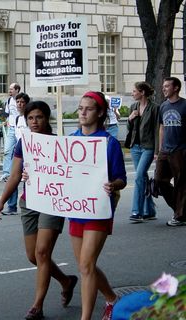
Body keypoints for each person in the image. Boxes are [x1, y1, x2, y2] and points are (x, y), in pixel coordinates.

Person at [0, 101, 78, 320]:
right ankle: (66, 281)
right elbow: (14, 175)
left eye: (39, 117)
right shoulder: (24, 143)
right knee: (33, 256)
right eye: (30, 118)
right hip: (29, 201)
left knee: (42, 252)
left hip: (52, 201)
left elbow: (70, 174)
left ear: (46, 118)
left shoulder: (59, 142)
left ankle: (37, 306)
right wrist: (2, 201)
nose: (34, 122)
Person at [69, 91, 127, 320]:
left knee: (86, 265)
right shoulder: (71, 139)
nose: (82, 112)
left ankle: (85, 317)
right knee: (85, 266)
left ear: (100, 112)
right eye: (80, 108)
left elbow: (122, 178)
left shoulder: (109, 143)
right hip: (74, 208)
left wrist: (113, 185)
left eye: (88, 108)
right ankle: (112, 298)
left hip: (98, 210)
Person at [155, 77, 186, 227]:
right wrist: (160, 149)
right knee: (160, 181)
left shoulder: (185, 105)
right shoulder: (163, 106)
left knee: (181, 184)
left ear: (176, 88)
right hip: (165, 151)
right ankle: (180, 210)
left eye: (167, 86)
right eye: (163, 86)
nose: (164, 88)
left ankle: (180, 215)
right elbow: (162, 127)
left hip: (180, 150)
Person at [127, 82, 159, 222]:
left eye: (135, 91)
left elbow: (157, 130)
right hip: (135, 147)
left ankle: (137, 211)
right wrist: (130, 118)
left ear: (143, 92)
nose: (132, 93)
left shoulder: (154, 108)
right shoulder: (133, 107)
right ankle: (150, 210)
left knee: (139, 176)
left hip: (148, 147)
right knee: (143, 178)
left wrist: (157, 150)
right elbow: (130, 128)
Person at [1, 92, 30, 216]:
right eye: (18, 102)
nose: (20, 104)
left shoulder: (30, 118)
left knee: (28, 180)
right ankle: (11, 207)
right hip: (19, 153)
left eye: (22, 102)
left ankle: (30, 205)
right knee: (13, 178)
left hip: (30, 153)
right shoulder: (17, 118)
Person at [0, 83, 20, 182]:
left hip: (21, 129)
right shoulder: (9, 100)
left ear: (17, 90)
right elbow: (7, 114)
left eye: (11, 89)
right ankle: (6, 173)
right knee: (7, 151)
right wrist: (7, 122)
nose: (9, 91)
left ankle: (22, 173)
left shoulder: (22, 100)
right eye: (9, 89)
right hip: (11, 129)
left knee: (22, 152)